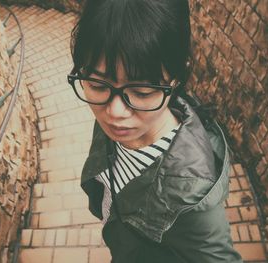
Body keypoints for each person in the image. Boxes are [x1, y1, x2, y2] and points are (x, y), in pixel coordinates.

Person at [67, 0, 243, 262]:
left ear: (177, 78)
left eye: (142, 92)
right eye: (97, 84)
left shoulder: (191, 198)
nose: (115, 112)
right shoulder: (123, 117)